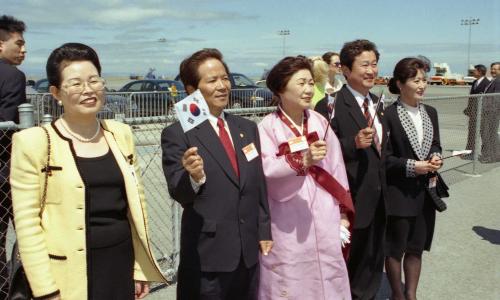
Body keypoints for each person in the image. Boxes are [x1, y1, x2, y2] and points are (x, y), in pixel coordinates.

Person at [9, 43, 166, 300]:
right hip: (65, 273)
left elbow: (136, 205)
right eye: (76, 83)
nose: (88, 90)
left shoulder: (120, 134)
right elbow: (27, 224)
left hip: (119, 263)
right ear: (56, 92)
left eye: (94, 80)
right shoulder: (34, 142)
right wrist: (45, 289)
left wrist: (139, 266)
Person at [161, 48, 272, 300]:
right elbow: (178, 191)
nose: (223, 86)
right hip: (207, 256)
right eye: (212, 81)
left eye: (225, 78)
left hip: (248, 252)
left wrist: (264, 230)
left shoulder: (247, 128)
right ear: (191, 90)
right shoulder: (178, 134)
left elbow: (257, 185)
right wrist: (194, 177)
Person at [258, 56, 353, 299]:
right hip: (286, 219)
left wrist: (342, 212)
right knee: (289, 276)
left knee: (328, 274)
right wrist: (303, 160)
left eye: (311, 83)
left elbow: (336, 167)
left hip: (324, 213)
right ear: (280, 88)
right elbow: (265, 168)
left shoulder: (320, 121)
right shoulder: (266, 127)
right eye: (301, 83)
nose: (309, 90)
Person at [315, 39, 387, 300]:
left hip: (379, 200)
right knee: (347, 265)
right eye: (364, 65)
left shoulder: (379, 104)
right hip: (350, 201)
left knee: (372, 263)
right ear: (345, 69)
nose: (371, 71)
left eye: (374, 64)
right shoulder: (330, 105)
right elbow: (320, 154)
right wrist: (351, 144)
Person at [384, 57, 443, 300]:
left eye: (424, 80)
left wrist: (436, 157)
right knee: (395, 249)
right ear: (400, 83)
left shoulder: (430, 112)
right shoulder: (388, 115)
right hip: (399, 192)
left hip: (425, 193)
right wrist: (413, 166)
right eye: (415, 80)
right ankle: (397, 293)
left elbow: (436, 144)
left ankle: (411, 295)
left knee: (417, 248)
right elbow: (385, 159)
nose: (422, 85)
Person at [0, 14, 26, 298]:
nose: (23, 50)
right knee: (28, 235)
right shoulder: (12, 76)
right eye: (18, 44)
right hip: (6, 171)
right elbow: (9, 121)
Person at [463, 64, 490, 158]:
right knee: (471, 134)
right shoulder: (475, 82)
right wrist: (468, 109)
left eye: (475, 70)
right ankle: (470, 152)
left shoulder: (487, 83)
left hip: (482, 114)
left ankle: (486, 154)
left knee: (484, 134)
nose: (473, 72)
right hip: (473, 113)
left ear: (480, 72)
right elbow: (471, 98)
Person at [480, 62, 500, 162]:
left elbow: (497, 99)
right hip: (490, 112)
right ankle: (495, 155)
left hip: (491, 113)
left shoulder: (498, 81)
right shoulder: (494, 81)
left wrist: (489, 111)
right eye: (492, 69)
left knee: (488, 134)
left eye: (496, 69)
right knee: (491, 134)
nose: (493, 71)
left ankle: (489, 157)